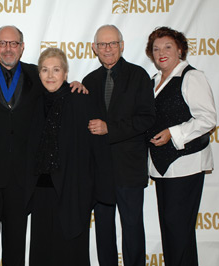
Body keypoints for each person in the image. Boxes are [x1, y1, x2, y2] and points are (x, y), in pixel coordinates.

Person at [0, 25, 86, 266]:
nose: (8, 48)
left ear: (22, 47)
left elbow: (58, 86)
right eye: (2, 43)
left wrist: (77, 84)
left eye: (13, 43)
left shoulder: (37, 74)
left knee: (16, 243)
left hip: (22, 177)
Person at [82, 25, 155, 266]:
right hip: (99, 170)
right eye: (102, 44)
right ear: (94, 48)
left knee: (132, 227)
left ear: (122, 46)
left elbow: (146, 118)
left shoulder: (139, 76)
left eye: (112, 43)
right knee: (103, 229)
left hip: (129, 168)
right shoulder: (89, 80)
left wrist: (109, 127)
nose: (107, 49)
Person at [145, 26, 216, 266]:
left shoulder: (191, 77)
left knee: (178, 232)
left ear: (180, 49)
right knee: (171, 232)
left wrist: (173, 133)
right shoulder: (154, 81)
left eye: (167, 47)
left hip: (186, 165)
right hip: (162, 167)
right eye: (156, 48)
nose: (161, 52)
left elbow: (207, 118)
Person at [24, 47, 97, 266]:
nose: (50, 75)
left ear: (66, 74)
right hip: (40, 191)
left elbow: (92, 150)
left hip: (71, 190)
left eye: (56, 70)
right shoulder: (33, 102)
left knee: (70, 252)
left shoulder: (80, 100)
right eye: (45, 70)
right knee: (43, 250)